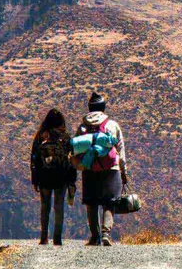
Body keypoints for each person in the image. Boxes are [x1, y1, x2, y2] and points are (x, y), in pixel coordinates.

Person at [74, 92, 128, 246]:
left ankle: (94, 237)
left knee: (91, 203)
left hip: (89, 168)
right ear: (103, 107)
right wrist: (124, 173)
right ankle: (106, 234)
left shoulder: (83, 127)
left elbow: (76, 150)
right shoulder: (112, 125)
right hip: (111, 168)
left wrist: (79, 166)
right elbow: (121, 152)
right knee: (109, 203)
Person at [30, 109, 77, 246]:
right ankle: (57, 238)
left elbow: (34, 159)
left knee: (45, 206)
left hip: (44, 176)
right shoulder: (65, 136)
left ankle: (44, 237)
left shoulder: (41, 136)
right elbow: (71, 160)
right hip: (61, 177)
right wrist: (72, 180)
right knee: (59, 206)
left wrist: (35, 179)